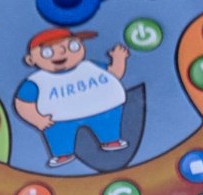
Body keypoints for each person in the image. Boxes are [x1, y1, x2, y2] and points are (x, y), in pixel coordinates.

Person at [13, 27, 129, 167]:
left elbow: (114, 74)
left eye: (72, 46)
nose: (62, 52)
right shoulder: (37, 81)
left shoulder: (90, 66)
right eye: (47, 52)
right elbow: (23, 102)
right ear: (31, 60)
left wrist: (119, 59)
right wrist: (37, 119)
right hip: (60, 119)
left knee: (108, 125)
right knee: (59, 135)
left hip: (105, 108)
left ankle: (111, 139)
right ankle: (62, 154)